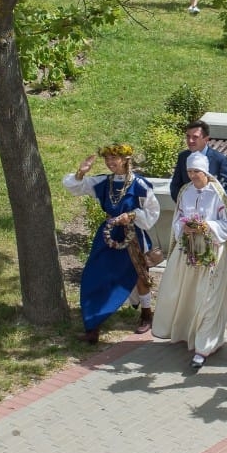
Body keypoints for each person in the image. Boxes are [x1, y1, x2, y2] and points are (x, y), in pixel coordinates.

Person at [152, 152, 227, 368]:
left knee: (209, 299)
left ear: (206, 172)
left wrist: (208, 227)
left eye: (196, 171)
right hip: (188, 252)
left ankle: (204, 347)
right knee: (188, 294)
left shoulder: (217, 193)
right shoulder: (185, 192)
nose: (193, 175)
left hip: (213, 253)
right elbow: (177, 219)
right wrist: (184, 227)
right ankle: (187, 333)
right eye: (189, 171)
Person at [63, 143, 160, 342]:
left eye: (113, 159)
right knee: (94, 274)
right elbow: (76, 187)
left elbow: (152, 212)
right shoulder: (103, 182)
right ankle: (93, 324)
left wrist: (132, 215)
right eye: (107, 159)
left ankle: (146, 313)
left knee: (140, 275)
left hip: (132, 235)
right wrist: (81, 173)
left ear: (125, 159)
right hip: (107, 234)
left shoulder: (139, 185)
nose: (109, 163)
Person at [169, 120, 227, 202]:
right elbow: (175, 186)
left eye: (195, 137)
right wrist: (184, 202)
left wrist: (211, 202)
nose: (190, 140)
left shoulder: (219, 160)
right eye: (188, 136)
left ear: (206, 139)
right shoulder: (183, 157)